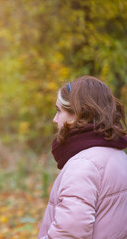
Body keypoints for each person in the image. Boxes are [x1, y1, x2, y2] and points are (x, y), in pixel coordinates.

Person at [38, 76, 127, 238]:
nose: (54, 119)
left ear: (78, 114)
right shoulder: (120, 156)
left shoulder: (84, 165)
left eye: (59, 111)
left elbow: (68, 234)